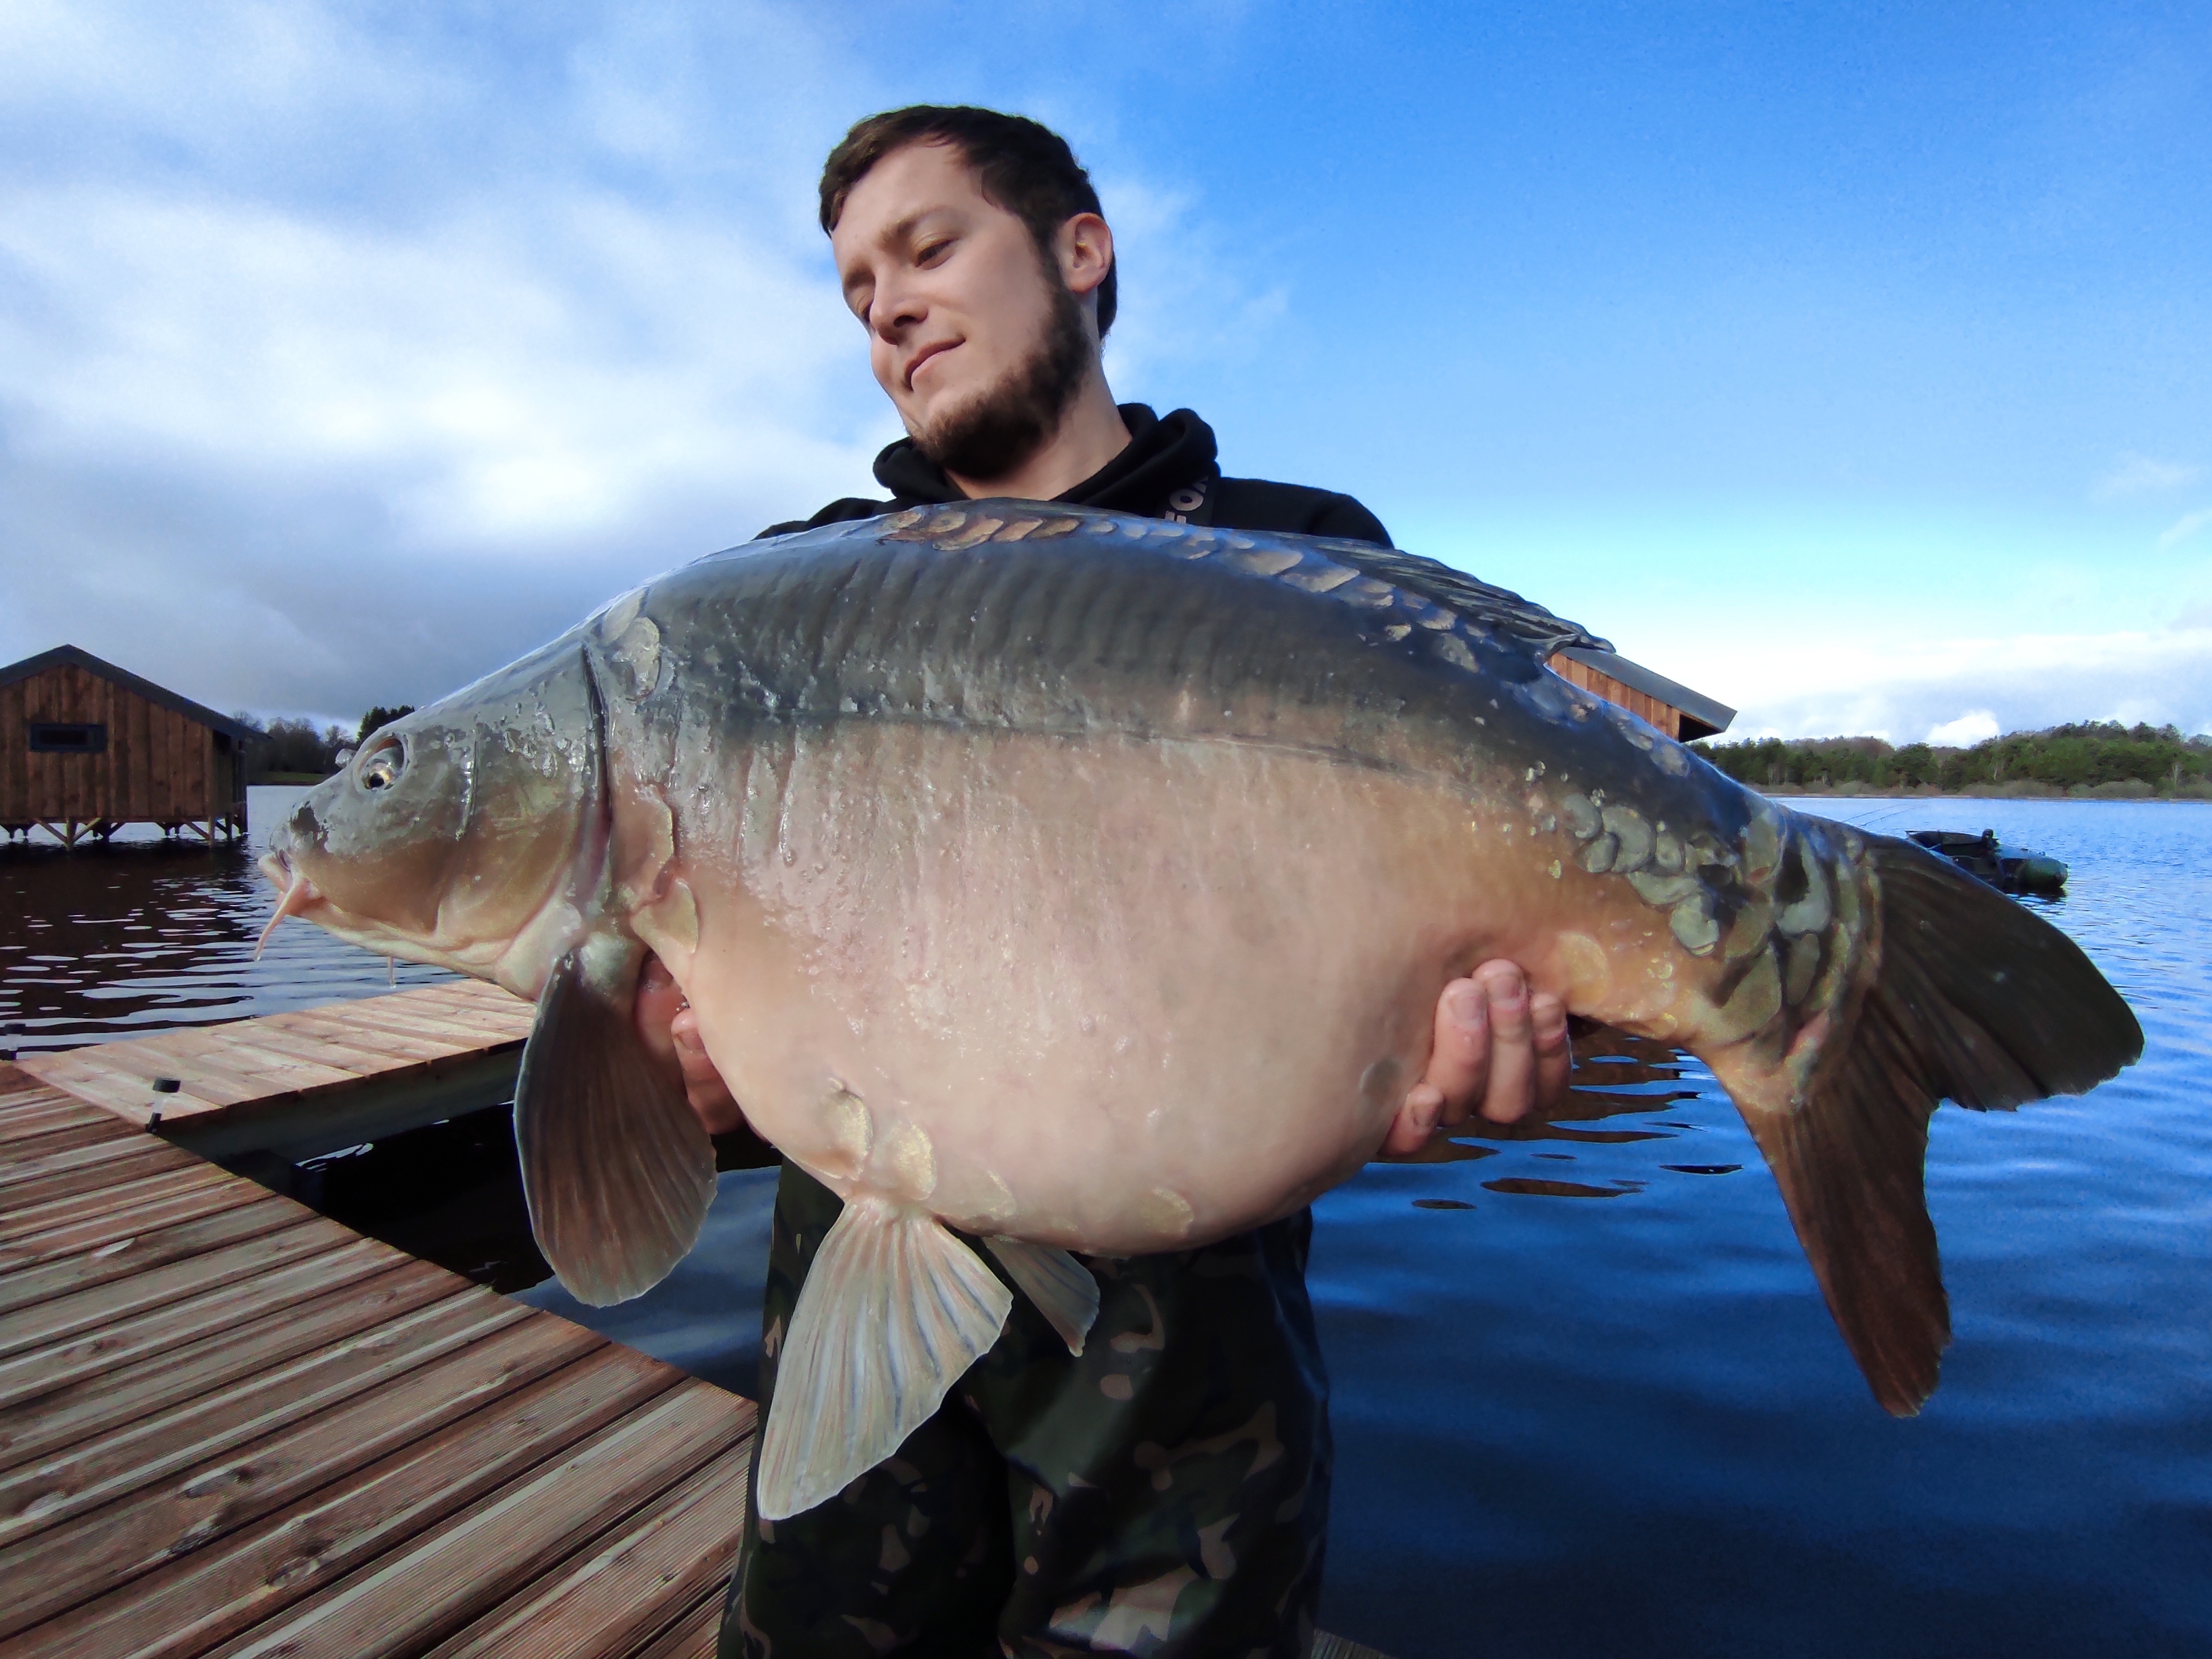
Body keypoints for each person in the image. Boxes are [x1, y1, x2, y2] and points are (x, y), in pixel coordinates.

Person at [632, 104, 1572, 1658]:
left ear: (1081, 252)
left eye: (930, 249)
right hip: (856, 1353)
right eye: (860, 293)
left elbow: (1453, 950)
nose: (892, 313)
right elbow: (710, 964)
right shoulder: (795, 587)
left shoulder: (1303, 556)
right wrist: (690, 1049)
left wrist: (1514, 1024)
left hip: (1192, 1393)